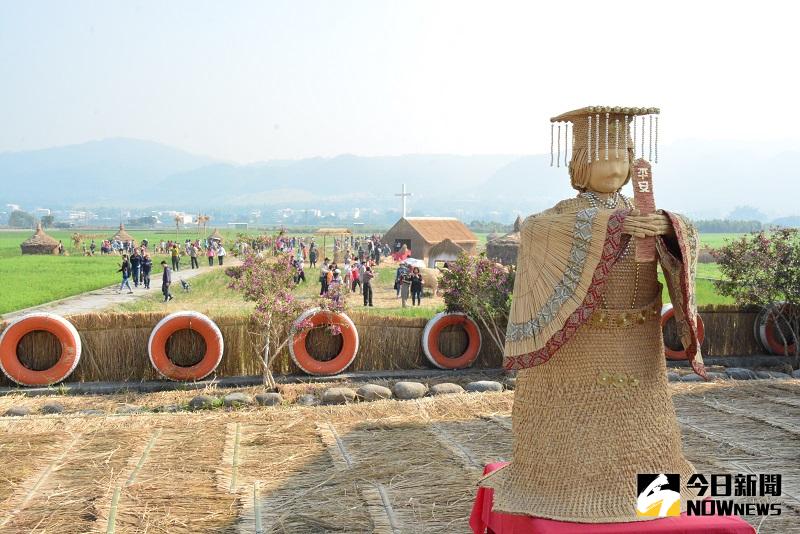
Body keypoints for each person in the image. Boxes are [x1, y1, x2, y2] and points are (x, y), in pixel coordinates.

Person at [480, 106, 706, 522]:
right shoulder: (561, 219)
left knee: (642, 421)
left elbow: (685, 238)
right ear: (581, 164)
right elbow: (536, 229)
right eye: (603, 158)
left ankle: (654, 494)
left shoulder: (646, 214)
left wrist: (668, 229)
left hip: (636, 344)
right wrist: (616, 225)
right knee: (577, 421)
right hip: (577, 344)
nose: (614, 167)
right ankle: (567, 490)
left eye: (622, 156)